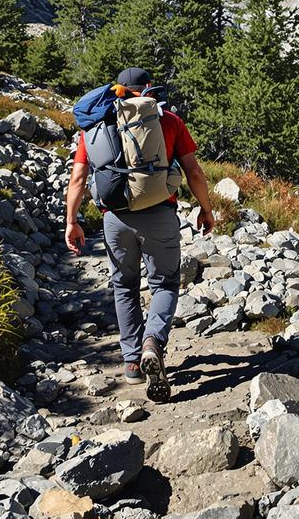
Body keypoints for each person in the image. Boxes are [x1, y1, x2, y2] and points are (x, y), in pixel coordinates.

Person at [64, 66, 215, 402]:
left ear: (117, 90)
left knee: (124, 285)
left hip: (115, 218)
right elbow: (194, 172)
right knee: (164, 283)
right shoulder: (169, 121)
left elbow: (77, 180)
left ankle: (132, 363)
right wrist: (206, 209)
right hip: (160, 214)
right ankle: (153, 343)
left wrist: (71, 221)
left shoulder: (96, 126)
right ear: (149, 89)